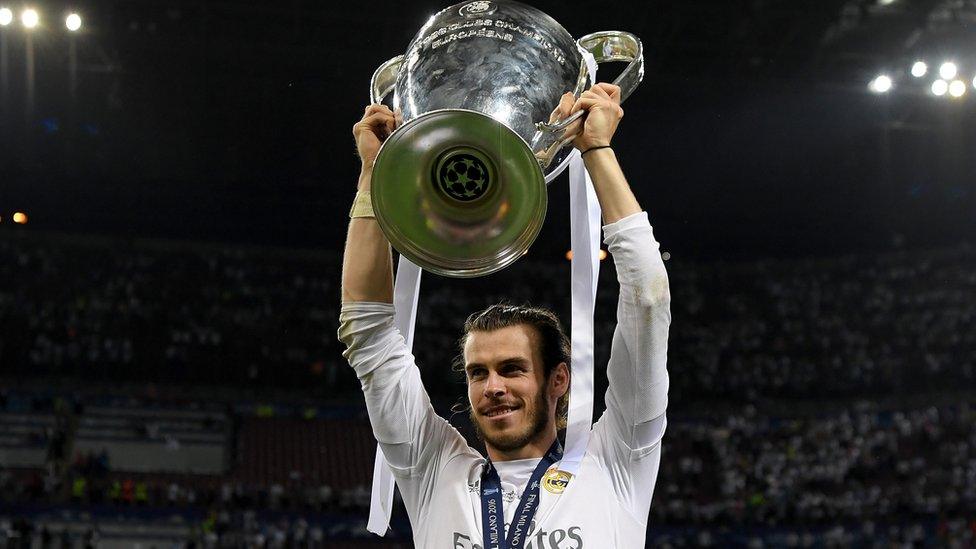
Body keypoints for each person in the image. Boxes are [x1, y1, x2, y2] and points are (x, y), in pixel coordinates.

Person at [339, 83, 671, 548]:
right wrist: (374, 173)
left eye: (513, 369)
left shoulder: (618, 460)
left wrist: (595, 149)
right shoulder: (434, 469)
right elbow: (368, 333)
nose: (493, 387)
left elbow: (649, 300)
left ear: (558, 379)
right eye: (479, 373)